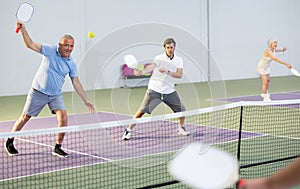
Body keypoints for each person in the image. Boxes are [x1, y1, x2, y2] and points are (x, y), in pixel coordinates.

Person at [5, 21, 96, 158]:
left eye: (71, 46)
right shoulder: (50, 50)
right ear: (59, 45)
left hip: (55, 95)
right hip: (38, 91)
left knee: (64, 118)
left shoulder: (72, 63)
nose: (69, 48)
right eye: (66, 45)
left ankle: (57, 147)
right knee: (25, 117)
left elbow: (76, 82)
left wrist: (86, 100)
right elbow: (30, 44)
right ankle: (10, 141)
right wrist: (23, 30)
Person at [122, 38, 190, 140]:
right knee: (141, 112)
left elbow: (179, 75)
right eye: (168, 47)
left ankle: (181, 128)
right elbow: (151, 66)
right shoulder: (159, 58)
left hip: (169, 91)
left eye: (171, 47)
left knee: (181, 110)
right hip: (155, 90)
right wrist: (143, 71)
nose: (170, 49)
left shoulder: (179, 60)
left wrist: (167, 72)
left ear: (174, 47)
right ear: (164, 48)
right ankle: (128, 130)